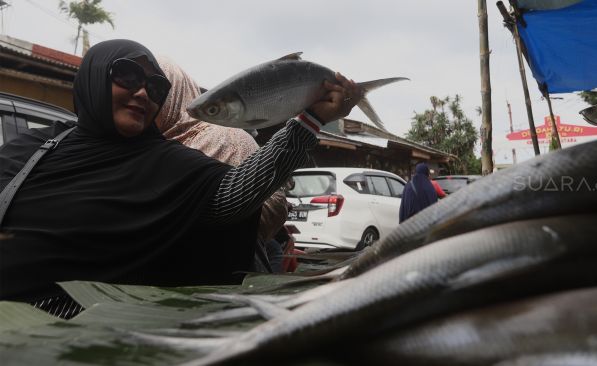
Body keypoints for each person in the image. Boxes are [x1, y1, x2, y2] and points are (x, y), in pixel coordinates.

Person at [0, 39, 362, 317]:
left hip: (79, 334)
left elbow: (232, 195)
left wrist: (308, 122)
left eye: (156, 87)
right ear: (93, 77)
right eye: (127, 75)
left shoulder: (165, 162)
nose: (143, 92)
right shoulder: (34, 147)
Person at [154, 56, 288, 272]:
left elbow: (269, 212)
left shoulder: (224, 138)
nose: (144, 97)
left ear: (176, 93)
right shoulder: (152, 144)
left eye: (156, 89)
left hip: (230, 272)